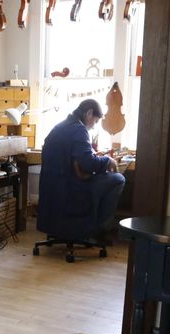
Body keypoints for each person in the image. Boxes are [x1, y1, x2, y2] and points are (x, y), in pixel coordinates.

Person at [38, 99, 126, 243]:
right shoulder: (79, 129)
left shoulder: (59, 127)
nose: (93, 126)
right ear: (89, 113)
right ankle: (99, 231)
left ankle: (75, 228)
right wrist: (107, 160)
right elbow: (89, 163)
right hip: (71, 189)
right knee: (118, 179)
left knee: (108, 179)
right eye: (95, 121)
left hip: (54, 190)